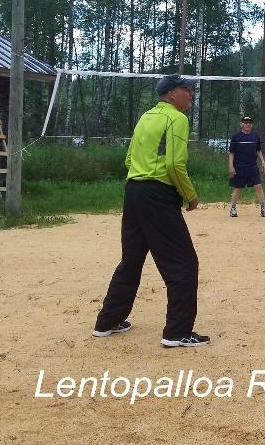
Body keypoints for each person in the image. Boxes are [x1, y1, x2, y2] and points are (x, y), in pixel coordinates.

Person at [92, 74, 210, 348]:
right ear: (170, 94)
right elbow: (174, 164)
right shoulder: (176, 118)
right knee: (183, 262)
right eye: (186, 90)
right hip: (158, 193)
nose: (191, 94)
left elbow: (129, 158)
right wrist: (189, 195)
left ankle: (107, 322)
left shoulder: (146, 117)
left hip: (133, 190)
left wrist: (144, 174)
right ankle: (177, 333)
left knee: (131, 259)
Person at [228, 115, 265, 218]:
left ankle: (263, 208)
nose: (247, 124)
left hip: (252, 166)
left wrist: (263, 161)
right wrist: (231, 166)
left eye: (249, 123)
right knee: (237, 188)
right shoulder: (236, 137)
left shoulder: (255, 136)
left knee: (258, 186)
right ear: (241, 124)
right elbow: (231, 153)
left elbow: (258, 150)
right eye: (245, 122)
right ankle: (233, 209)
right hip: (239, 166)